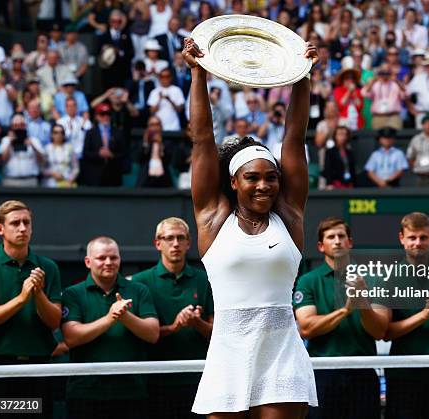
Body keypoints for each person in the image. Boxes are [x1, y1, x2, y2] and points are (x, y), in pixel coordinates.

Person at [182, 37, 317, 417]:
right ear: (233, 182)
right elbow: (203, 139)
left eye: (272, 178)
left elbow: (295, 136)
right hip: (227, 355)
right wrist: (198, 74)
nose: (264, 185)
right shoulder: (212, 218)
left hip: (282, 357)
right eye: (253, 178)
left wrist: (302, 76)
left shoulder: (289, 215)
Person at [0, 200, 62, 419]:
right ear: (0, 229)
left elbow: (54, 322)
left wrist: (38, 293)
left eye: (26, 223)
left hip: (39, 367)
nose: (22, 228)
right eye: (15, 223)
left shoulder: (48, 267)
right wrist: (22, 298)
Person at [294, 217, 389, 419]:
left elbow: (380, 331)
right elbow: (307, 328)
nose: (337, 241)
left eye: (341, 236)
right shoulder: (308, 281)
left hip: (363, 371)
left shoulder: (373, 279)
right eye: (330, 237)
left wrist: (362, 304)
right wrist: (345, 310)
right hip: (323, 371)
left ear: (350, 242)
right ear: (321, 246)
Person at [61, 236, 159, 419]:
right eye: (101, 258)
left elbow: (153, 334)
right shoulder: (73, 293)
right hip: (85, 392)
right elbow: (71, 337)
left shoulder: (138, 290)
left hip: (131, 392)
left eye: (114, 258)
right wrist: (110, 318)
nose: (108, 262)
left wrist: (125, 316)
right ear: (88, 262)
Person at [132, 217, 213, 419]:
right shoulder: (140, 282)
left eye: (180, 238)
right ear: (157, 243)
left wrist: (197, 323)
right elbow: (138, 334)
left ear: (189, 243)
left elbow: (218, 333)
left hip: (199, 379)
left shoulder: (205, 279)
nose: (175, 244)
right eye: (169, 238)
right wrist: (174, 327)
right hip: (155, 379)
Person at [384, 212, 429, 419]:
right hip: (402, 373)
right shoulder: (389, 278)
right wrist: (424, 315)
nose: (418, 243)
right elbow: (386, 332)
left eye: (423, 237)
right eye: (412, 237)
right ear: (402, 239)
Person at [78, 103, 126, 187]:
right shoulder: (90, 133)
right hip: (94, 176)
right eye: (102, 114)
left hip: (113, 176)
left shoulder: (118, 133)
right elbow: (85, 153)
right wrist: (98, 154)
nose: (105, 117)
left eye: (108, 114)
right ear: (97, 116)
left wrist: (112, 155)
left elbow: (123, 154)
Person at [0, 114, 45, 187]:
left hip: (30, 180)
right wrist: (10, 143)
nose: (19, 128)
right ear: (12, 127)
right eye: (16, 125)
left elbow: (42, 160)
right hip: (10, 180)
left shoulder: (34, 140)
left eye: (21, 125)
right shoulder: (6, 140)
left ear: (26, 126)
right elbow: (3, 160)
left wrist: (33, 146)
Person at [136, 116, 173, 188]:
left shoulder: (167, 143)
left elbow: (169, 160)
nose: (155, 127)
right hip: (146, 178)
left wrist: (160, 144)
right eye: (152, 125)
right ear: (148, 128)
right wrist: (146, 142)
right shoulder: (143, 143)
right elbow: (138, 158)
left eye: (157, 124)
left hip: (163, 179)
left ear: (161, 127)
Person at [42, 123, 78, 188]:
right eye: (56, 132)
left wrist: (70, 180)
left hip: (67, 184)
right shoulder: (46, 149)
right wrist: (52, 173)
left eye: (61, 132)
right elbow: (42, 168)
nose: (59, 135)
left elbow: (76, 168)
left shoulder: (70, 148)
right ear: (52, 134)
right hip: (50, 184)